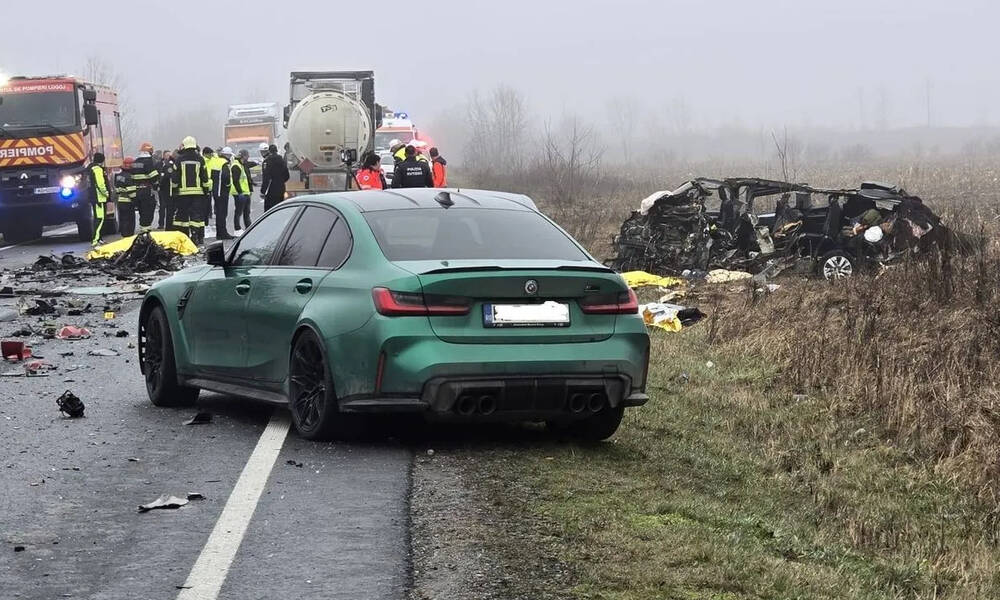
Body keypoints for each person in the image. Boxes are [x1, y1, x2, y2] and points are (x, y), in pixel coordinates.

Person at [168, 136, 211, 243]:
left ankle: (183, 238)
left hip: (182, 194)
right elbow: (204, 177)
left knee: (182, 217)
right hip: (198, 194)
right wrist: (206, 190)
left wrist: (174, 191)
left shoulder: (179, 159)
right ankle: (197, 236)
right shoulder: (200, 159)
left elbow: (174, 179)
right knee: (197, 216)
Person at [132, 142, 160, 233]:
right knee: (148, 210)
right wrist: (156, 184)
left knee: (141, 210)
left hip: (136, 190)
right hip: (146, 190)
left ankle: (143, 228)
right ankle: (146, 231)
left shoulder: (135, 162)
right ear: (150, 151)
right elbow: (154, 176)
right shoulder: (149, 161)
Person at [211, 147, 235, 239]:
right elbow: (226, 177)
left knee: (218, 213)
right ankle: (223, 233)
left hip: (216, 190)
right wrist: (228, 185)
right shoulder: (225, 163)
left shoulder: (216, 161)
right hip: (222, 191)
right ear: (227, 155)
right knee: (223, 213)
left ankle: (219, 233)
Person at [87, 152, 110, 246]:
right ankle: (95, 240)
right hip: (99, 198)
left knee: (98, 218)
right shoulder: (97, 169)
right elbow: (100, 184)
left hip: (93, 197)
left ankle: (99, 238)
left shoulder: (90, 168)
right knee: (100, 218)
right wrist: (106, 193)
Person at [114, 156, 138, 236]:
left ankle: (124, 235)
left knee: (123, 219)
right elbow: (131, 190)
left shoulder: (118, 176)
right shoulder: (129, 176)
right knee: (130, 220)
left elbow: (117, 189)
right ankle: (129, 236)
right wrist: (135, 201)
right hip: (128, 201)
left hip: (121, 200)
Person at [260, 143, 289, 210]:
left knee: (269, 211)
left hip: (271, 191)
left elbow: (266, 178)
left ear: (269, 151)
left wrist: (263, 191)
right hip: (281, 189)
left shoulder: (267, 161)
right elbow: (287, 176)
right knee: (279, 209)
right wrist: (280, 182)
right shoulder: (282, 160)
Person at [232, 149, 253, 231]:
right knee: (238, 212)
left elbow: (245, 179)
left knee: (246, 212)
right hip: (240, 193)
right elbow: (235, 180)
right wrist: (240, 192)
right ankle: (237, 229)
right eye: (247, 155)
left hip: (245, 193)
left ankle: (248, 227)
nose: (248, 157)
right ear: (243, 156)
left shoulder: (241, 164)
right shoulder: (236, 165)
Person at [158, 150, 174, 230]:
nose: (169, 157)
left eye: (169, 155)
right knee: (162, 207)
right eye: (167, 155)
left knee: (169, 208)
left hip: (169, 189)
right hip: (162, 189)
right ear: (163, 156)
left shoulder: (170, 165)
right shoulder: (159, 164)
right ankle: (161, 223)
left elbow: (167, 176)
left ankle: (169, 226)